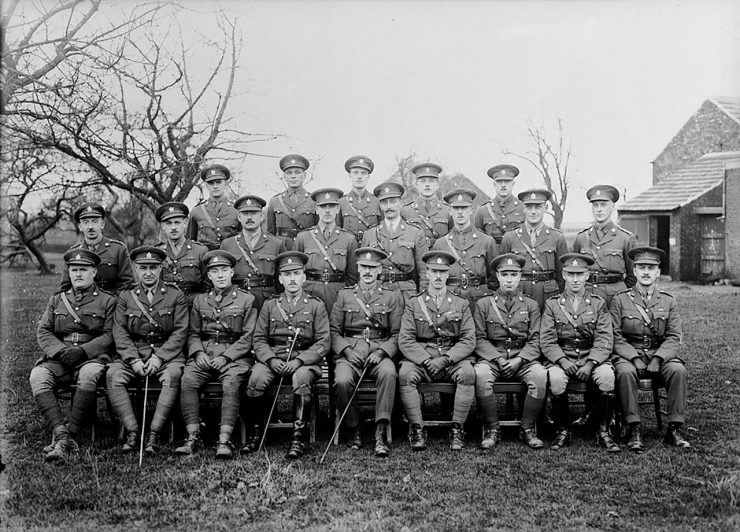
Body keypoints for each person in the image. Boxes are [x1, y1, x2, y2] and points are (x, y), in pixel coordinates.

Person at [241, 251, 331, 459]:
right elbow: (259, 339)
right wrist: (271, 360)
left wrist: (300, 360)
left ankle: (297, 438)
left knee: (301, 379)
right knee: (255, 379)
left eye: (296, 273)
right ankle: (256, 434)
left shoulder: (316, 305)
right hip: (275, 357)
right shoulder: (270, 305)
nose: (292, 279)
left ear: (304, 277)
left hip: (304, 360)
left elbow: (323, 342)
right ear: (280, 279)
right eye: (287, 274)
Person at [31, 249, 116, 462]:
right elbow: (43, 331)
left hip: (91, 357)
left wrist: (83, 351)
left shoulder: (107, 301)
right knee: (38, 376)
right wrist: (60, 351)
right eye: (74, 270)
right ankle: (62, 435)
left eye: (83, 270)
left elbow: (110, 335)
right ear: (69, 273)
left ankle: (71, 435)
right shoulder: (57, 300)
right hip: (61, 358)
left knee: (89, 374)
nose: (78, 274)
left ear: (94, 272)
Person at [175, 250, 257, 459]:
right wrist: (197, 352)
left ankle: (224, 439)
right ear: (209, 276)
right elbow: (193, 333)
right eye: (214, 271)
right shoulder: (200, 301)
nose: (220, 275)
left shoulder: (247, 300)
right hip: (205, 354)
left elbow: (248, 337)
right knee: (188, 380)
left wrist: (227, 357)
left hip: (235, 358)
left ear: (232, 272)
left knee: (231, 383)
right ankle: (193, 435)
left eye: (224, 270)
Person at [106, 246, 188, 454]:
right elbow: (120, 332)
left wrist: (159, 358)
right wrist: (133, 359)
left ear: (161, 268)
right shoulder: (126, 296)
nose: (148, 273)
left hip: (166, 353)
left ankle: (154, 433)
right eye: (143, 268)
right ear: (135, 268)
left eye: (153, 267)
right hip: (134, 351)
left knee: (172, 375)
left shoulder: (174, 295)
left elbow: (180, 331)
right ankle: (133, 431)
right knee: (113, 375)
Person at [610, 246, 689, 451]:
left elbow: (674, 336)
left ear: (658, 272)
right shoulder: (620, 300)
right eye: (641, 267)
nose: (646, 272)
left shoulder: (668, 301)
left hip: (658, 354)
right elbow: (614, 336)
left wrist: (659, 358)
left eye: (650, 268)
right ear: (634, 271)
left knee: (678, 370)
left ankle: (674, 427)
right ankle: (633, 427)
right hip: (629, 355)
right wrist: (634, 358)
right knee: (625, 372)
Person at [540, 253, 620, 453]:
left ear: (587, 276)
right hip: (563, 357)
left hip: (591, 357)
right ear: (564, 275)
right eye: (570, 274)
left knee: (607, 376)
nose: (575, 279)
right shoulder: (552, 304)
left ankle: (603, 431)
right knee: (556, 378)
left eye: (580, 274)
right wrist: (563, 361)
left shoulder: (598, 303)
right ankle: (562, 430)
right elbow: (547, 340)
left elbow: (604, 338)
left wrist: (591, 364)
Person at [398, 251, 476, 451]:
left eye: (443, 271)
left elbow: (468, 339)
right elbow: (405, 339)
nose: (439, 276)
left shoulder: (461, 303)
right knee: (406, 374)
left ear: (449, 273)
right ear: (427, 274)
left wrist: (446, 359)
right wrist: (425, 360)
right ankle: (417, 429)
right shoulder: (414, 303)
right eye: (434, 271)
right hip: (423, 357)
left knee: (467, 373)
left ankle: (457, 429)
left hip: (451, 357)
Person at [329, 247, 403, 456]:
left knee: (389, 374)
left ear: (380, 270)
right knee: (342, 381)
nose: (368, 272)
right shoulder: (344, 295)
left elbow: (397, 334)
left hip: (379, 351)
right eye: (364, 267)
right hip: (351, 350)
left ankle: (380, 430)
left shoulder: (391, 297)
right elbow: (333, 331)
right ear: (358, 269)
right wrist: (346, 350)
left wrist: (381, 352)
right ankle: (354, 427)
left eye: (373, 268)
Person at [473, 253, 546, 450]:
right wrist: (497, 359)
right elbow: (478, 338)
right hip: (493, 357)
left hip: (522, 357)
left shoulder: (531, 305)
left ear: (520, 276)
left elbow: (536, 338)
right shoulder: (484, 304)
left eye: (514, 274)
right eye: (504, 274)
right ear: (497, 276)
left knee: (539, 375)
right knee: (480, 374)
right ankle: (492, 429)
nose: (509, 279)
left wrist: (520, 360)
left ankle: (527, 428)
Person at [500, 189, 568, 311]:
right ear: (523, 209)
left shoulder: (557, 237)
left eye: (538, 207)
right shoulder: (510, 237)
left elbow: (562, 275)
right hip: (520, 293)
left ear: (545, 208)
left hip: (548, 295)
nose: (533, 212)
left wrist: (558, 297)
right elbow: (502, 272)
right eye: (529, 207)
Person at [362, 181, 428, 303]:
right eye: (384, 202)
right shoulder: (370, 234)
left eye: (393, 201)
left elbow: (423, 272)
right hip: (378, 292)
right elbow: (362, 271)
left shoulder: (415, 232)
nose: (388, 206)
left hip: (406, 294)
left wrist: (423, 299)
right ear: (380, 206)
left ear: (401, 203)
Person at [295, 188, 358, 315]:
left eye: (332, 206)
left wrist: (344, 294)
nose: (327, 210)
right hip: (310, 293)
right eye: (323, 206)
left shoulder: (348, 239)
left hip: (337, 295)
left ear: (338, 209)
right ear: (317, 210)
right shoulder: (304, 237)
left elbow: (353, 276)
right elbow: (296, 271)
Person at [572, 185, 637, 306]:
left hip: (614, 299)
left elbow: (633, 275)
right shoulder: (581, 238)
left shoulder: (626, 238)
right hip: (586, 297)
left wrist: (620, 292)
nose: (599, 209)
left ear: (612, 206)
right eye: (595, 205)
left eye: (603, 204)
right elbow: (573, 270)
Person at [433, 188, 497, 307]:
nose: (460, 212)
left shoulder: (487, 242)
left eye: (464, 208)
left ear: (471, 210)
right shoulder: (441, 244)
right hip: (450, 302)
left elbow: (494, 279)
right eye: (456, 208)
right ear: (450, 210)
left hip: (479, 302)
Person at [220, 194, 286, 310]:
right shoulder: (228, 244)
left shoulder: (276, 244)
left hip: (267, 301)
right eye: (245, 214)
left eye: (254, 213)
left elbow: (281, 279)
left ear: (261, 216)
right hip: (237, 302)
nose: (249, 217)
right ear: (239, 217)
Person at [60, 203, 133, 293]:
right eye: (86, 222)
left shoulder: (118, 250)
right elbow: (65, 289)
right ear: (80, 227)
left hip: (113, 304)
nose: (90, 227)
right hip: (82, 304)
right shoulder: (73, 254)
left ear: (102, 224)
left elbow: (127, 285)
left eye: (94, 221)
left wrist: (115, 303)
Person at [155, 202, 209, 307]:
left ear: (185, 223)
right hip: (167, 306)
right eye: (169, 223)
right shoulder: (158, 253)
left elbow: (208, 286)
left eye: (177, 222)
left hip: (194, 306)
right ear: (163, 226)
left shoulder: (200, 250)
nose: (173, 227)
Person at [266, 154, 318, 248]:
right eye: (289, 173)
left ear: (304, 175)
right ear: (284, 176)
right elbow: (270, 233)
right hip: (282, 249)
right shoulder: (275, 201)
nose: (293, 176)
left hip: (306, 247)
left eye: (297, 172)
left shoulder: (313, 201)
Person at [188, 164, 241, 250]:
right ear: (206, 185)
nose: (215, 186)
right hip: (205, 260)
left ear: (225, 184)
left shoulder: (236, 210)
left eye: (218, 182)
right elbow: (190, 243)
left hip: (230, 259)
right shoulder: (197, 211)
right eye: (211, 183)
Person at [401, 163, 451, 248]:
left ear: (437, 185)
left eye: (431, 181)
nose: (427, 184)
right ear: (417, 185)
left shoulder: (447, 210)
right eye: (423, 181)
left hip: (440, 258)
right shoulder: (405, 211)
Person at [474, 164, 526, 246]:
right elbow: (477, 240)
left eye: (507, 181)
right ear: (494, 184)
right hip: (492, 257)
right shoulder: (483, 210)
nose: (503, 185)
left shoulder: (523, 208)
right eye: (499, 181)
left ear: (513, 184)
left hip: (517, 256)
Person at [338, 155, 382, 244]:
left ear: (368, 176)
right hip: (349, 249)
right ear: (350, 175)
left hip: (371, 249)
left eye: (363, 173)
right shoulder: (341, 203)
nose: (359, 177)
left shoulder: (377, 202)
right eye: (356, 172)